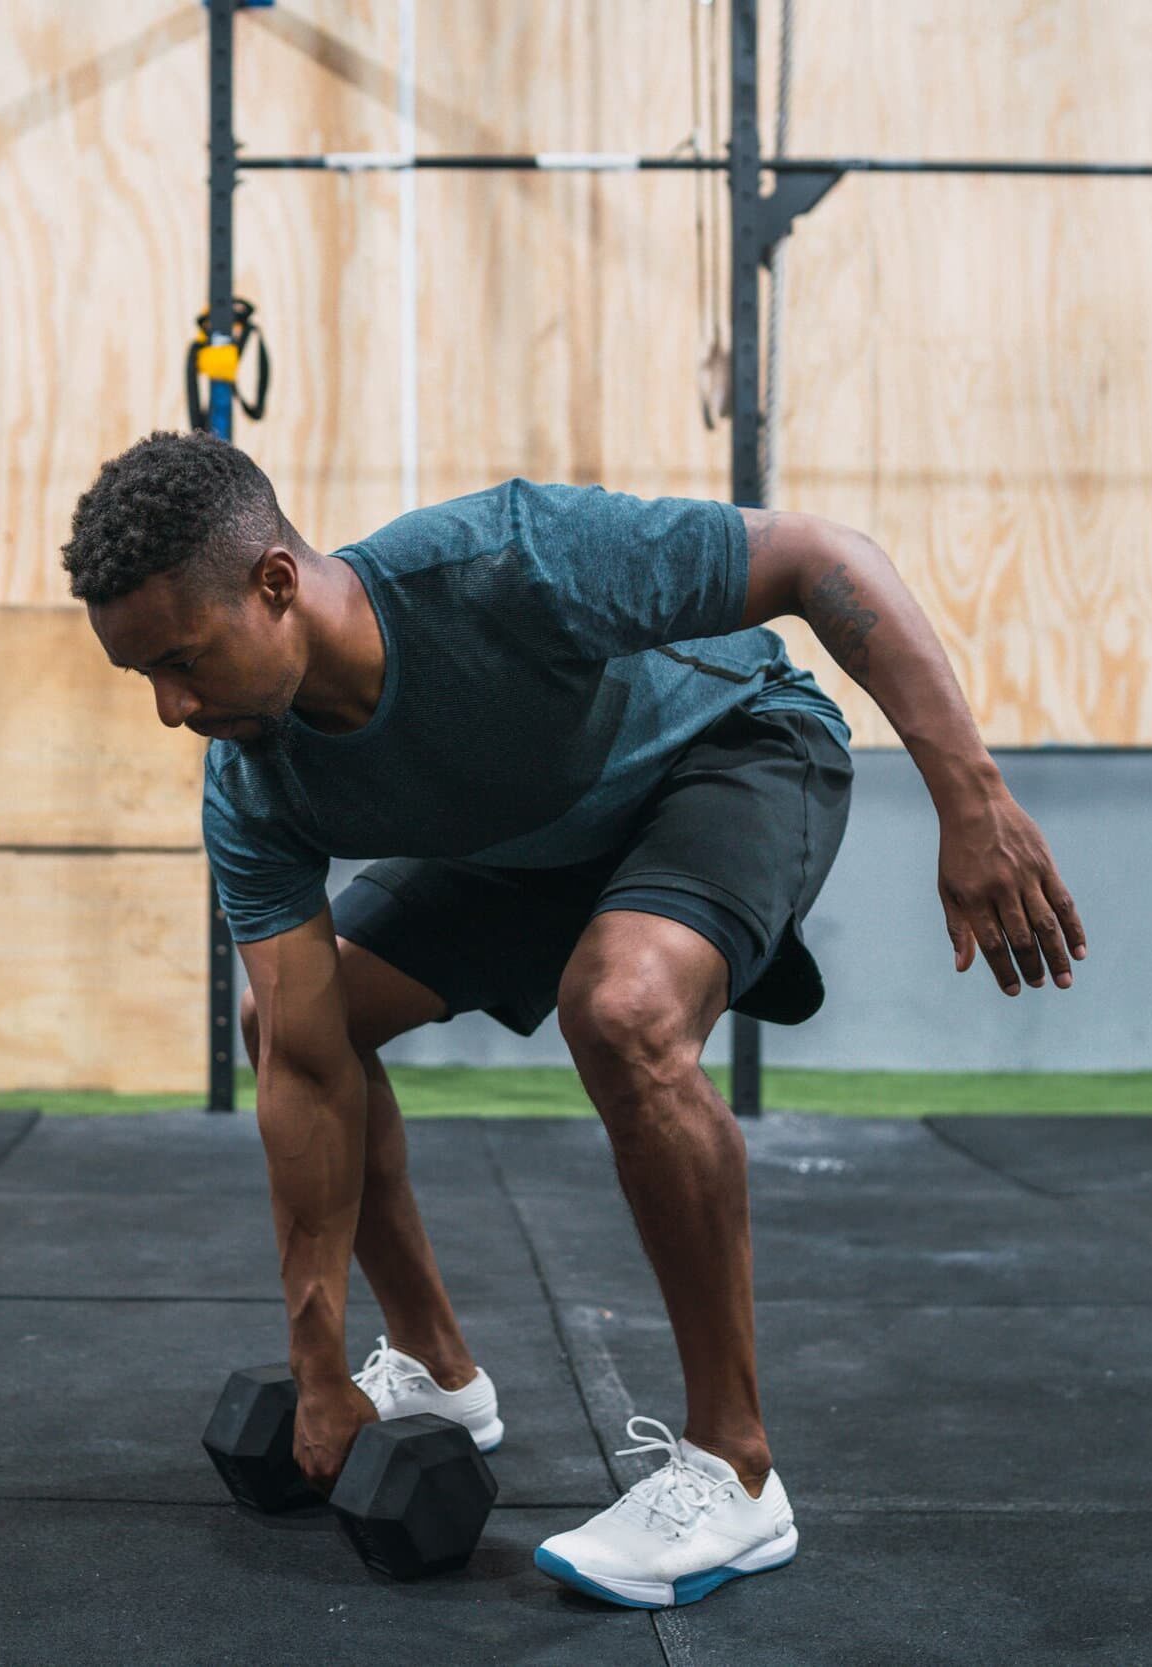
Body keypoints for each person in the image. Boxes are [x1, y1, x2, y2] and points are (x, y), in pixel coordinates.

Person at [60, 428, 1086, 1611]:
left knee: (621, 1006)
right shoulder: (253, 777)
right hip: (528, 844)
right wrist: (318, 1364)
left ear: (275, 585)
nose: (170, 707)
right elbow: (300, 1056)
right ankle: (439, 1373)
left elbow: (820, 556)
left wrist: (972, 801)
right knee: (293, 1015)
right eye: (143, 677)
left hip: (725, 754)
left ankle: (734, 1470)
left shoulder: (507, 563)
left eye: (182, 660)